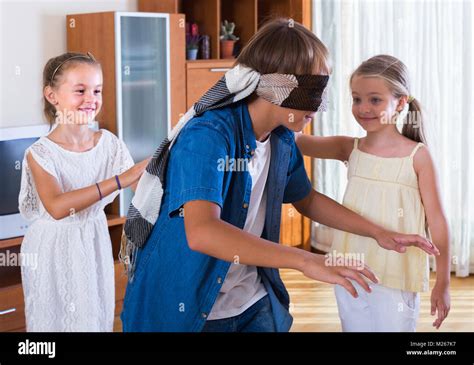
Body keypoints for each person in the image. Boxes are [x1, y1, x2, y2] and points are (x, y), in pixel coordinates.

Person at [121, 21, 438, 332]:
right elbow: (203, 231)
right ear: (280, 87)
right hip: (186, 305)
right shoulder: (208, 136)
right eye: (313, 90)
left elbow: (307, 199)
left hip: (252, 299)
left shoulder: (281, 137)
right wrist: (306, 261)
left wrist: (377, 232)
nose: (321, 105)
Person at [296, 55, 450, 331]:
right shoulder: (349, 148)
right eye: (356, 99)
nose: (363, 108)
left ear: (401, 102)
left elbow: (438, 221)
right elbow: (296, 141)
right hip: (349, 268)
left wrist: (443, 282)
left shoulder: (417, 156)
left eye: (375, 100)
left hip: (395, 273)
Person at [19, 52, 148, 331]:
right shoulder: (39, 153)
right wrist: (121, 179)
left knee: (93, 316)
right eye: (80, 90)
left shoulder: (109, 144)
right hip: (53, 248)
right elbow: (57, 206)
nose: (91, 98)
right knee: (55, 323)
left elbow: (142, 189)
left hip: (93, 240)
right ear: (52, 96)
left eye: (97, 90)